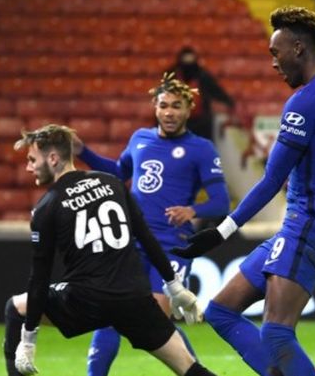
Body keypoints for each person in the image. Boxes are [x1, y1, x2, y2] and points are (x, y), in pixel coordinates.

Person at [172, 6, 315, 376]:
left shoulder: (306, 102)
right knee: (221, 310)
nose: (273, 64)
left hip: (306, 226)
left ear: (297, 48)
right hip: (313, 226)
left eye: (275, 53)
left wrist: (220, 232)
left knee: (277, 334)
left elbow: (270, 181)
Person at [3, 124, 219, 376]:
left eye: (32, 159)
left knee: (15, 307)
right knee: (190, 368)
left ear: (53, 158)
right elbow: (147, 238)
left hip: (86, 302)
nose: (29, 167)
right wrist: (175, 286)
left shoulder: (46, 207)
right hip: (135, 300)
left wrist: (28, 339)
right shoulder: (113, 183)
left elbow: (39, 278)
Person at [73, 72, 231, 376]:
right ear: (154, 107)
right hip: (130, 242)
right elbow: (119, 173)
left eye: (176, 106)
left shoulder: (201, 149)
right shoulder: (139, 139)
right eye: (163, 106)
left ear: (188, 109)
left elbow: (221, 201)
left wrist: (192, 210)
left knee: (155, 322)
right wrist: (83, 152)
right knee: (111, 311)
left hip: (173, 245)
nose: (169, 112)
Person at [168, 46, 236, 141]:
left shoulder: (203, 75)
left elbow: (215, 90)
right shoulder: (172, 75)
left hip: (201, 122)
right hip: (178, 121)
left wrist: (228, 101)